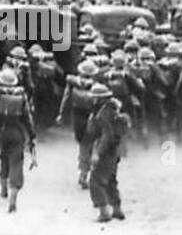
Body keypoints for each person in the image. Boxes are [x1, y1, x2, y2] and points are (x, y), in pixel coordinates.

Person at [0, 67, 35, 213]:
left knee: (4, 158)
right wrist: (32, 135)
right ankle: (13, 199)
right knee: (16, 162)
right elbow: (27, 117)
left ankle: (3, 190)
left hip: (1, 132)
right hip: (17, 131)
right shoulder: (21, 94)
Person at [87, 83, 131, 222]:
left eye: (95, 98)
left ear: (100, 99)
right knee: (111, 180)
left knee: (95, 180)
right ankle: (117, 209)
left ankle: (104, 211)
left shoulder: (103, 114)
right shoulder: (113, 110)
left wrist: (97, 153)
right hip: (114, 150)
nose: (93, 100)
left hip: (106, 151)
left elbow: (106, 135)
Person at [56, 59, 99, 188]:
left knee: (83, 144)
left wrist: (61, 114)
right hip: (91, 116)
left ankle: (83, 172)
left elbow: (66, 98)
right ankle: (85, 173)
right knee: (89, 144)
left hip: (77, 117)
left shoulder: (72, 83)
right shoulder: (97, 85)